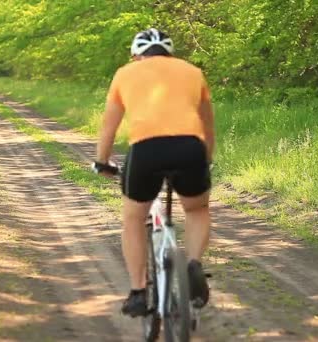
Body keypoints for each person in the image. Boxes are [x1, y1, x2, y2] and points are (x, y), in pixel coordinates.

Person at [94, 28, 215, 317]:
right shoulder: (192, 71)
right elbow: (208, 124)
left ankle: (138, 292)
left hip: (146, 150)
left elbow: (108, 126)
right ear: (169, 52)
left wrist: (102, 161)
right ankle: (194, 264)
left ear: (137, 54)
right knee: (197, 209)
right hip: (190, 147)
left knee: (134, 218)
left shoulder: (125, 73)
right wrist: (205, 159)